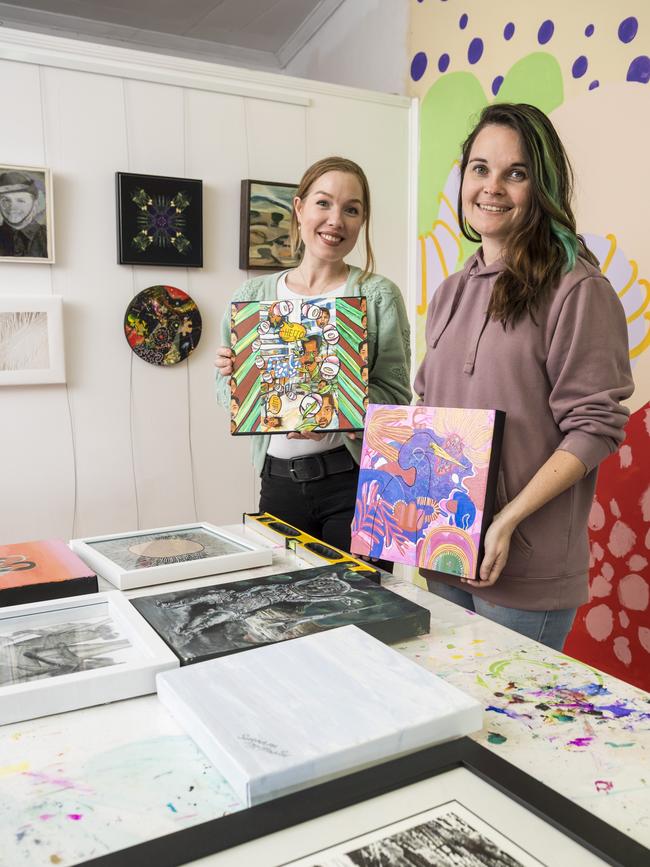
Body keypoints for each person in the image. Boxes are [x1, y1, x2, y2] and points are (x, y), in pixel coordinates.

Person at [414, 103, 633, 650]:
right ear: (463, 177)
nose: (492, 187)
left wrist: (505, 520)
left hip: (525, 563)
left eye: (516, 173)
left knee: (505, 734)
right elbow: (429, 406)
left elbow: (595, 427)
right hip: (444, 552)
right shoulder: (450, 289)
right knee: (453, 725)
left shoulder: (578, 289)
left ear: (543, 187)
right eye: (480, 169)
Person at [215, 156, 411, 555]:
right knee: (283, 612)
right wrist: (235, 381)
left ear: (361, 222)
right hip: (277, 482)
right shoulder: (251, 298)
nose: (335, 219)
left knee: (362, 608)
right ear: (300, 208)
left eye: (351, 209)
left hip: (354, 485)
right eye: (323, 203)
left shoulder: (378, 295)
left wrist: (333, 414)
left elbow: (396, 398)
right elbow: (226, 392)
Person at [0, 170, 48, 258]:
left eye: (20, 200)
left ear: (35, 204)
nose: (12, 207)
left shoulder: (47, 237)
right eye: (5, 200)